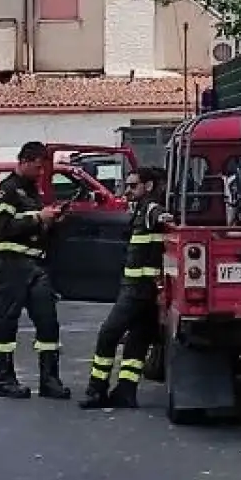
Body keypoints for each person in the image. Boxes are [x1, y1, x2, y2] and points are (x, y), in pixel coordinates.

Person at [81, 165, 173, 410]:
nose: (128, 191)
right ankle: (126, 391)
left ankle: (96, 389)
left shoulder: (152, 208)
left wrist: (165, 218)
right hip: (149, 291)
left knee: (108, 334)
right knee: (137, 340)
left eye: (134, 186)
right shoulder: (141, 209)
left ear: (149, 186)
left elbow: (161, 217)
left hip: (137, 290)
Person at [0, 142, 69, 399]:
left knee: (48, 322)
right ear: (24, 161)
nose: (40, 172)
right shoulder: (7, 191)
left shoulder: (33, 192)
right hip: (11, 265)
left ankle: (49, 379)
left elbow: (37, 230)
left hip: (37, 266)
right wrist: (37, 218)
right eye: (37, 166)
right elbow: (2, 228)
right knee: (6, 323)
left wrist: (51, 221)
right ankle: (6, 380)